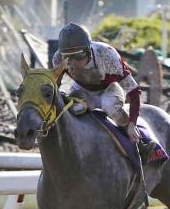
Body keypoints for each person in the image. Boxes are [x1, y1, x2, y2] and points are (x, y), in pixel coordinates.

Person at [52, 22, 158, 163]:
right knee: (71, 109)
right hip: (81, 90)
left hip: (108, 89)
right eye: (68, 57)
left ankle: (140, 145)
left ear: (89, 50)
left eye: (78, 56)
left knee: (110, 106)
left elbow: (133, 90)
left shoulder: (107, 54)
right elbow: (54, 89)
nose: (73, 63)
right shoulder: (58, 59)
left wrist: (132, 123)